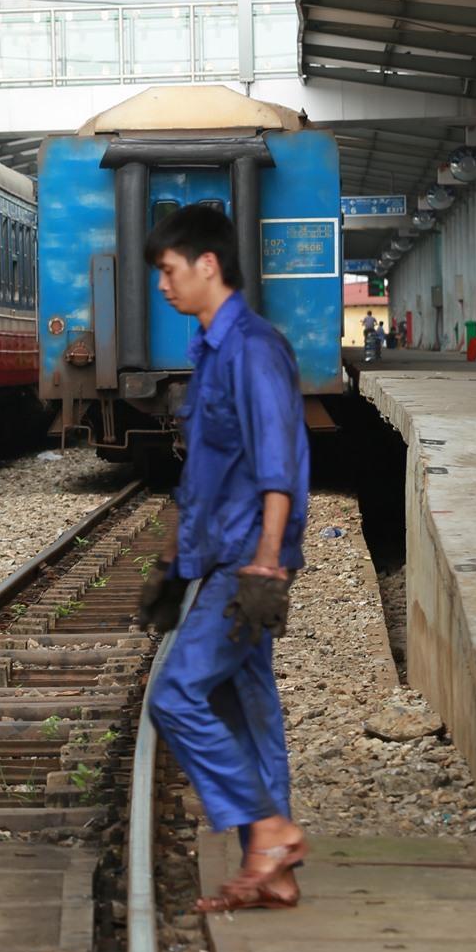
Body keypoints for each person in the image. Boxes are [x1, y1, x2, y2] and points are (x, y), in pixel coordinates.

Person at [136, 204, 309, 913]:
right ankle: (275, 871)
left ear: (207, 265)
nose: (163, 287)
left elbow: (279, 465)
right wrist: (177, 559)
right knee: (249, 705)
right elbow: (206, 468)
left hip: (246, 563)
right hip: (220, 558)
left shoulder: (253, 349)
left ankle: (267, 828)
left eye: (169, 272)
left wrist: (265, 565)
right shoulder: (209, 351)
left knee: (175, 694)